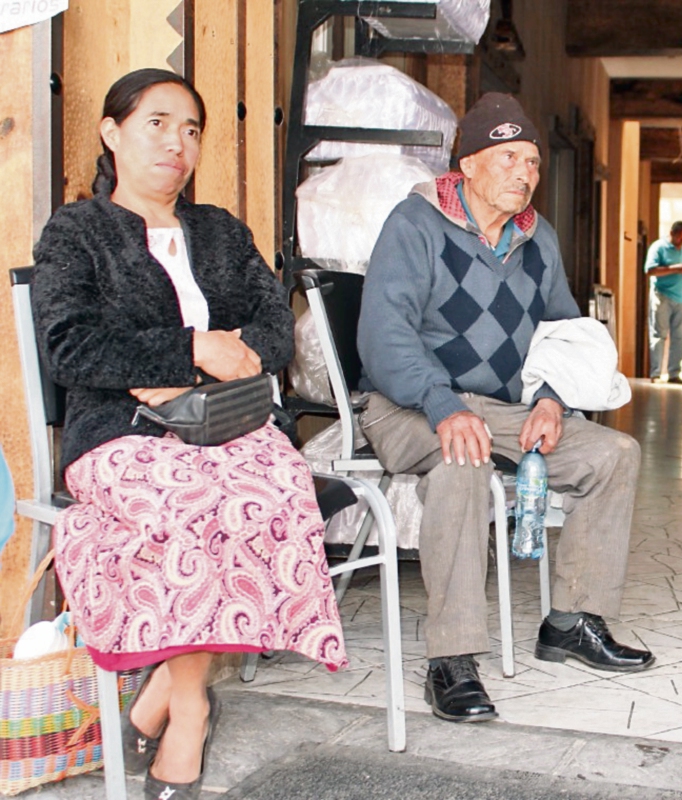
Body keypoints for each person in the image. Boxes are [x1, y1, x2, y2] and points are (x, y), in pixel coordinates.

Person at [32, 69, 347, 800]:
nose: (177, 142)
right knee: (193, 504)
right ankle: (192, 709)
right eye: (157, 123)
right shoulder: (77, 232)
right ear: (112, 133)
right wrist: (191, 349)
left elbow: (274, 329)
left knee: (273, 488)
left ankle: (158, 697)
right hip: (120, 432)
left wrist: (206, 366)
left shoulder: (221, 232)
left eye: (191, 129)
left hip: (229, 421)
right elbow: (71, 347)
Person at [358, 92, 654, 724]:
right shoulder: (414, 224)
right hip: (407, 404)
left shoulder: (537, 237)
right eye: (509, 157)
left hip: (497, 408)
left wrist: (551, 398)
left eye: (533, 161)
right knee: (462, 462)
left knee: (613, 454)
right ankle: (453, 657)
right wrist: (442, 403)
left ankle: (572, 621)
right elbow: (384, 335)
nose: (526, 173)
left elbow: (564, 331)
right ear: (467, 163)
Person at [644, 220, 682, 384]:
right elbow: (650, 270)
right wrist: (676, 268)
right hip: (662, 296)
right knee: (659, 335)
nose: (681, 241)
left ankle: (674, 374)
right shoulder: (658, 247)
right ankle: (656, 373)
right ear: (672, 233)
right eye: (679, 238)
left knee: (680, 337)